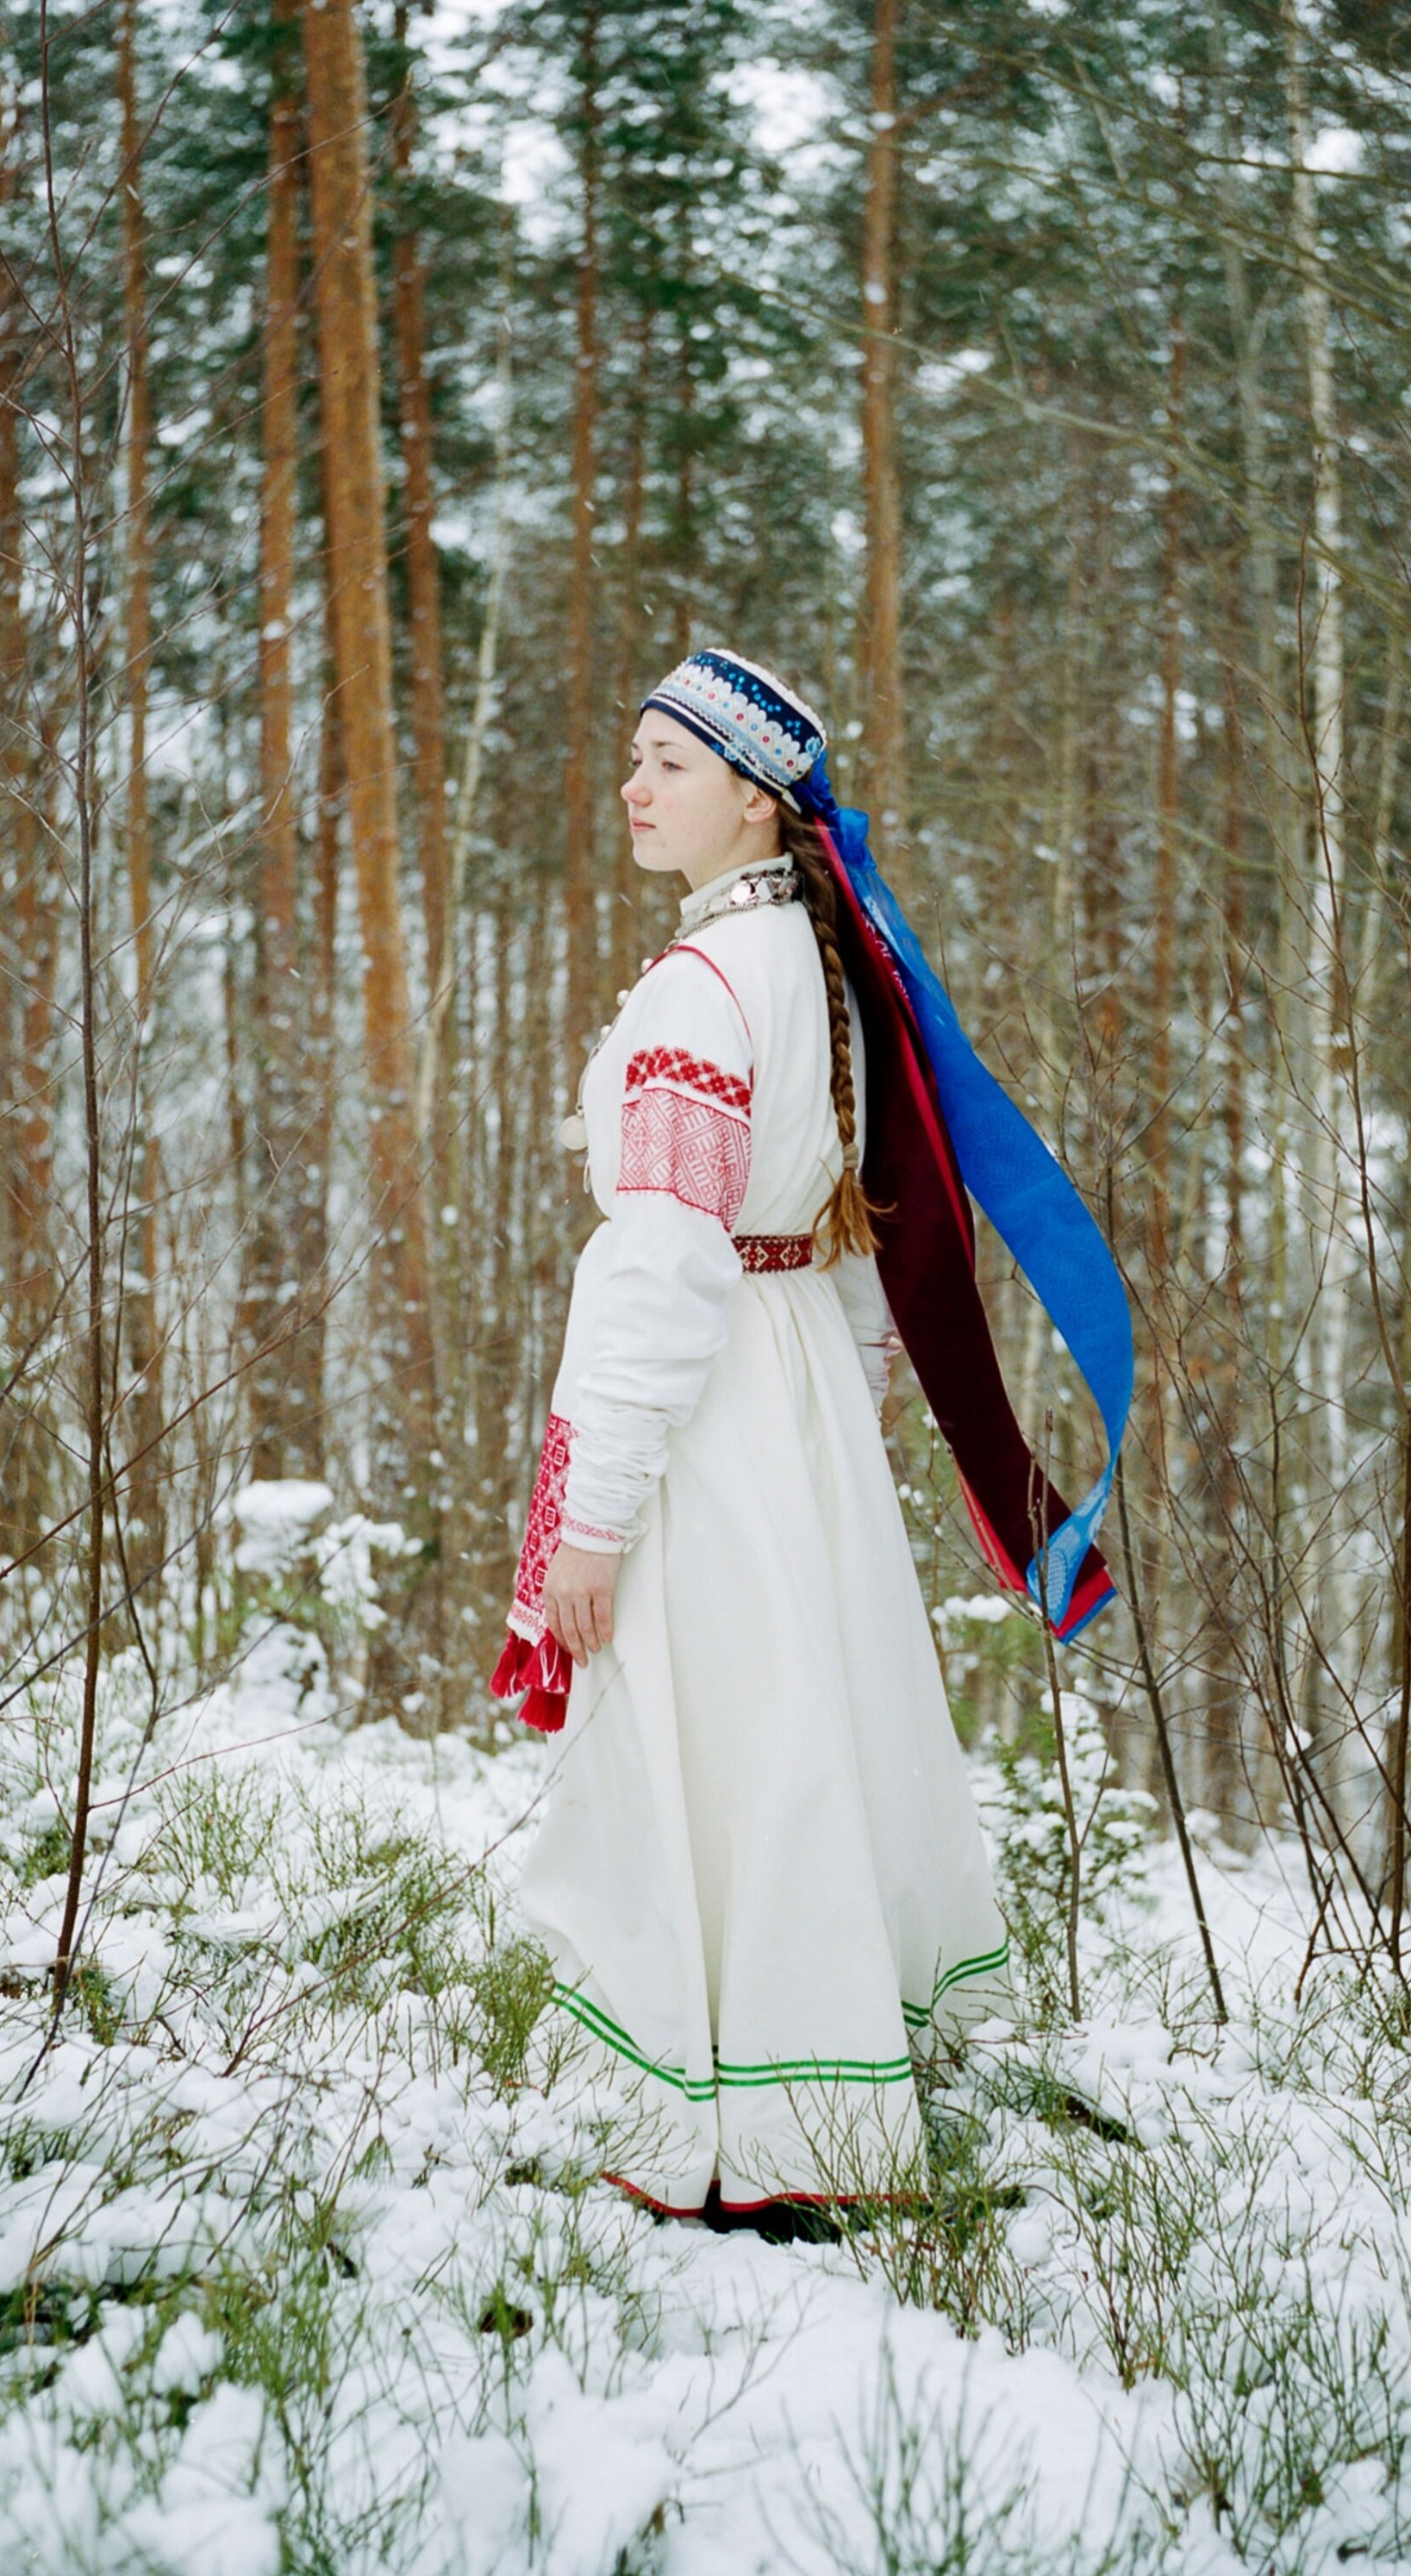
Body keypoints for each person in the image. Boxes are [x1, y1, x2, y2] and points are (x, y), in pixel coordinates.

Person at [490, 649, 1128, 2224]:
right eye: (634, 758)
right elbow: (855, 1233)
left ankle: (749, 2112)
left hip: (713, 1406)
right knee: (801, 1722)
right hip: (791, 1393)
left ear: (760, 802)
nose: (634, 788)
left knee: (715, 1738)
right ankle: (839, 2065)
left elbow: (663, 1263)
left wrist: (594, 1514)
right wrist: (838, 1411)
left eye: (671, 764)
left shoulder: (703, 988)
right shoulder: (824, 970)